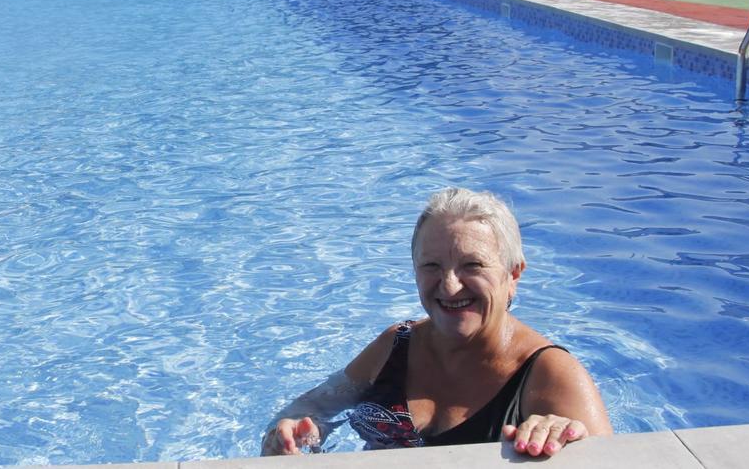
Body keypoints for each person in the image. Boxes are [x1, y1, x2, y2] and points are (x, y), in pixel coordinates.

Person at [262, 187, 612, 457]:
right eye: (431, 266)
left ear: (513, 274)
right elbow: (315, 405)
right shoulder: (396, 345)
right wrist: (297, 430)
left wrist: (565, 436)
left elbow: (614, 461)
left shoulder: (551, 376)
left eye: (472, 265)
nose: (449, 286)